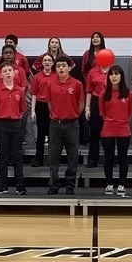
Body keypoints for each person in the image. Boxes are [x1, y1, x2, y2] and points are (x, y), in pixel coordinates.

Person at [46, 56, 85, 195]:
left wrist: (73, 115)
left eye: (64, 65)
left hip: (72, 124)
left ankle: (70, 184)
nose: (61, 68)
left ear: (69, 67)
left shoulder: (77, 84)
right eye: (58, 66)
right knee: (53, 156)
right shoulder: (50, 83)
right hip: (55, 124)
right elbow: (49, 103)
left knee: (72, 156)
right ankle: (54, 184)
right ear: (55, 69)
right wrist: (57, 115)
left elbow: (81, 103)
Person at [0, 63, 27, 195]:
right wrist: (1, 120)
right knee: (3, 156)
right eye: (5, 71)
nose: (8, 73)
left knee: (17, 156)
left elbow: (22, 109)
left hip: (16, 124)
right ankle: (3, 185)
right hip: (1, 124)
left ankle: (20, 185)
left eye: (10, 70)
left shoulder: (19, 90)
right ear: (0, 75)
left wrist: (15, 118)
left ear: (14, 73)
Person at [99, 64, 132, 196]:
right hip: (108, 129)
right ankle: (109, 184)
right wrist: (110, 122)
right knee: (108, 158)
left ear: (121, 76)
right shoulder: (104, 94)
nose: (114, 77)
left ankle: (122, 184)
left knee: (122, 158)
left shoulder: (128, 94)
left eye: (117, 74)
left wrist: (122, 122)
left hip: (123, 130)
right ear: (108, 77)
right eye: (111, 74)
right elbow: (102, 112)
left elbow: (130, 112)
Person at [29, 53, 56, 167]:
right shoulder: (37, 77)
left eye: (49, 60)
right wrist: (33, 110)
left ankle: (52, 159)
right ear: (42, 63)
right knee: (40, 134)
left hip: (53, 106)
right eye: (45, 60)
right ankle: (38, 158)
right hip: (41, 105)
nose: (47, 62)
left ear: (53, 63)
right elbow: (34, 94)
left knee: (53, 134)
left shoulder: (56, 76)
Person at [83, 59, 111, 167]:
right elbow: (89, 91)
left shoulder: (113, 71)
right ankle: (93, 159)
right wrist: (87, 108)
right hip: (95, 100)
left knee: (109, 132)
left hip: (110, 101)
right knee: (94, 131)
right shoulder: (92, 72)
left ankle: (110, 159)